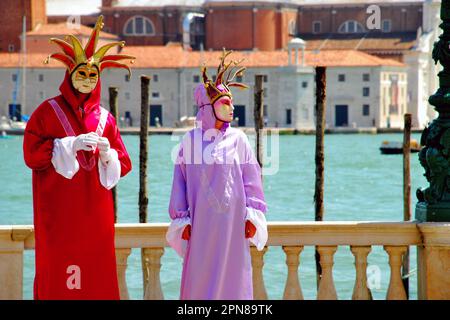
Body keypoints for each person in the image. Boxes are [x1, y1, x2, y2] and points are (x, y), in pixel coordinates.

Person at [23, 15, 134, 300]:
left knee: (95, 273)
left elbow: (124, 163)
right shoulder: (46, 113)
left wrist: (108, 155)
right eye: (81, 74)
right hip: (57, 213)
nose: (87, 80)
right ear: (70, 75)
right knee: (58, 274)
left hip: (95, 214)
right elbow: (31, 154)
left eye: (92, 75)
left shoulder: (107, 119)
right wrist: (68, 145)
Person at [166, 50, 268, 300]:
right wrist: (182, 220)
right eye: (225, 102)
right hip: (201, 225)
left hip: (234, 226)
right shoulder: (189, 141)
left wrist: (252, 217)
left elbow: (251, 180)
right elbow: (179, 182)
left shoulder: (240, 139)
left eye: (231, 101)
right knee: (200, 277)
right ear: (207, 107)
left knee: (234, 278)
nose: (232, 107)